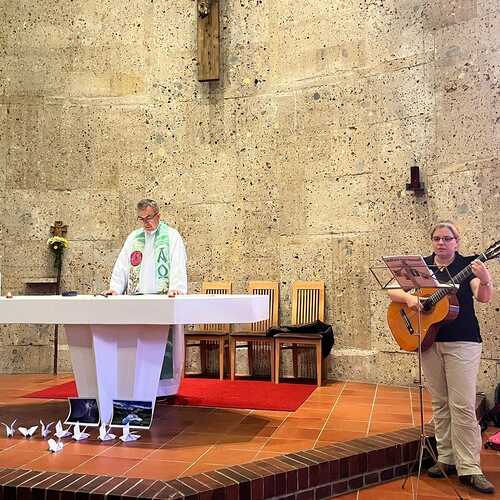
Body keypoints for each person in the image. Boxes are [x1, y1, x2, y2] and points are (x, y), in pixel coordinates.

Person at [388, 221, 495, 495]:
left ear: (457, 241)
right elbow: (391, 288)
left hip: (463, 342)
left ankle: (470, 467)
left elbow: (482, 297)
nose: (441, 243)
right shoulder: (422, 265)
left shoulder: (468, 264)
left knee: (462, 405)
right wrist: (411, 301)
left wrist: (485, 279)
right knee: (440, 402)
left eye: (447, 238)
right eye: (437, 238)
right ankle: (446, 458)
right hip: (428, 340)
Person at [103, 198, 188, 396]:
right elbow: (122, 266)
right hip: (137, 300)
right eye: (141, 219)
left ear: (158, 215)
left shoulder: (171, 236)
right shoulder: (134, 238)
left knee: (162, 345)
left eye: (149, 218)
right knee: (139, 345)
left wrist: (176, 288)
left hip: (161, 299)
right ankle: (138, 387)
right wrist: (115, 288)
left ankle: (163, 390)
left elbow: (177, 264)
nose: (146, 222)